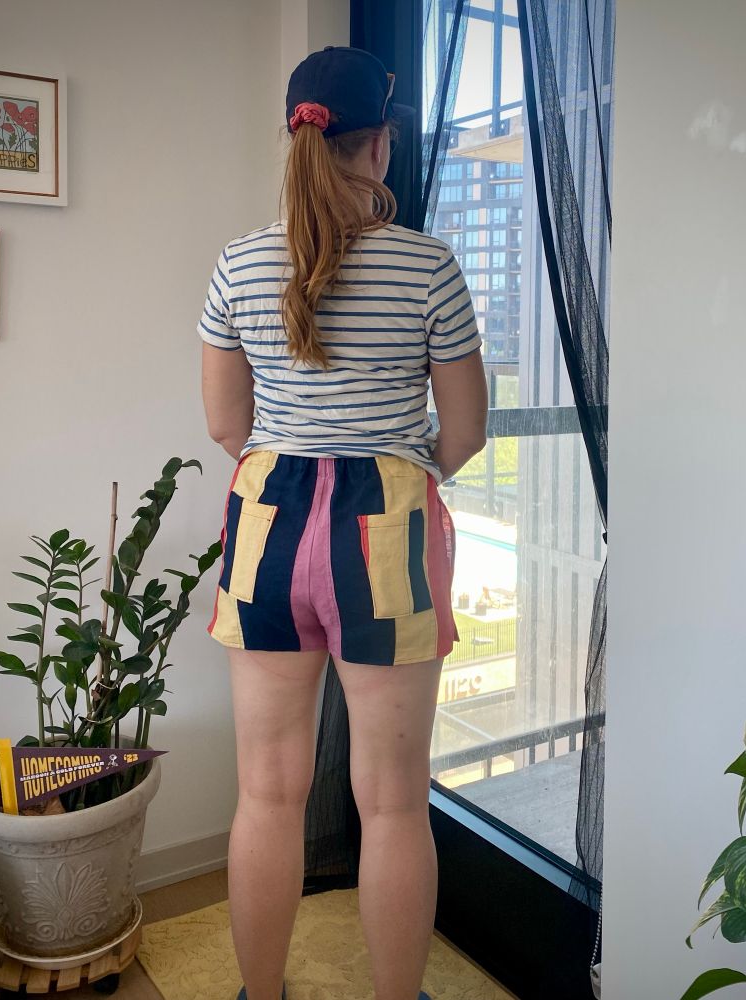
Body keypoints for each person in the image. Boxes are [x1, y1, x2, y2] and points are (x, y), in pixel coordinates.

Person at [198, 45, 488, 1000]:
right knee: (396, 802)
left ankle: (261, 995)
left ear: (297, 136)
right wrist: (402, 471)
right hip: (387, 526)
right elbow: (469, 431)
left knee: (268, 793)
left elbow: (226, 426)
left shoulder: (238, 263)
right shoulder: (429, 265)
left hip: (269, 519)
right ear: (382, 147)